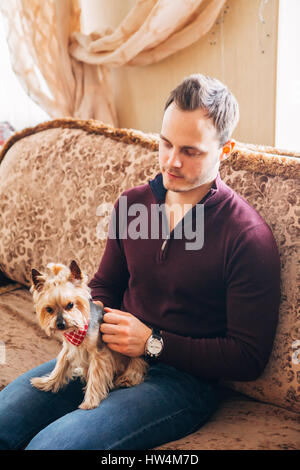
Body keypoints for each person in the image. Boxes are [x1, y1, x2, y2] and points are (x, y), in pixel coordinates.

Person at [0, 74, 280, 450]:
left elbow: (248, 358)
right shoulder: (132, 205)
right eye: (165, 143)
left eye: (191, 151)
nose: (171, 161)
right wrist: (85, 322)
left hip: (180, 380)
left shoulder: (246, 237)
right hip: (104, 350)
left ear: (225, 151)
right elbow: (104, 286)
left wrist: (151, 344)